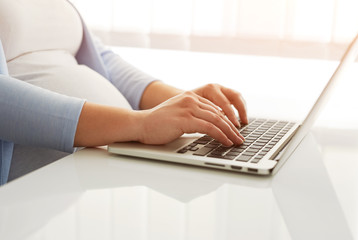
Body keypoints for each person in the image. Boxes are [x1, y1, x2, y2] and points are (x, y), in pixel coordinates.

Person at [0, 0, 247, 185]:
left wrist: (185, 104)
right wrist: (140, 125)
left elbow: (102, 60)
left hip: (108, 168)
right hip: (34, 192)